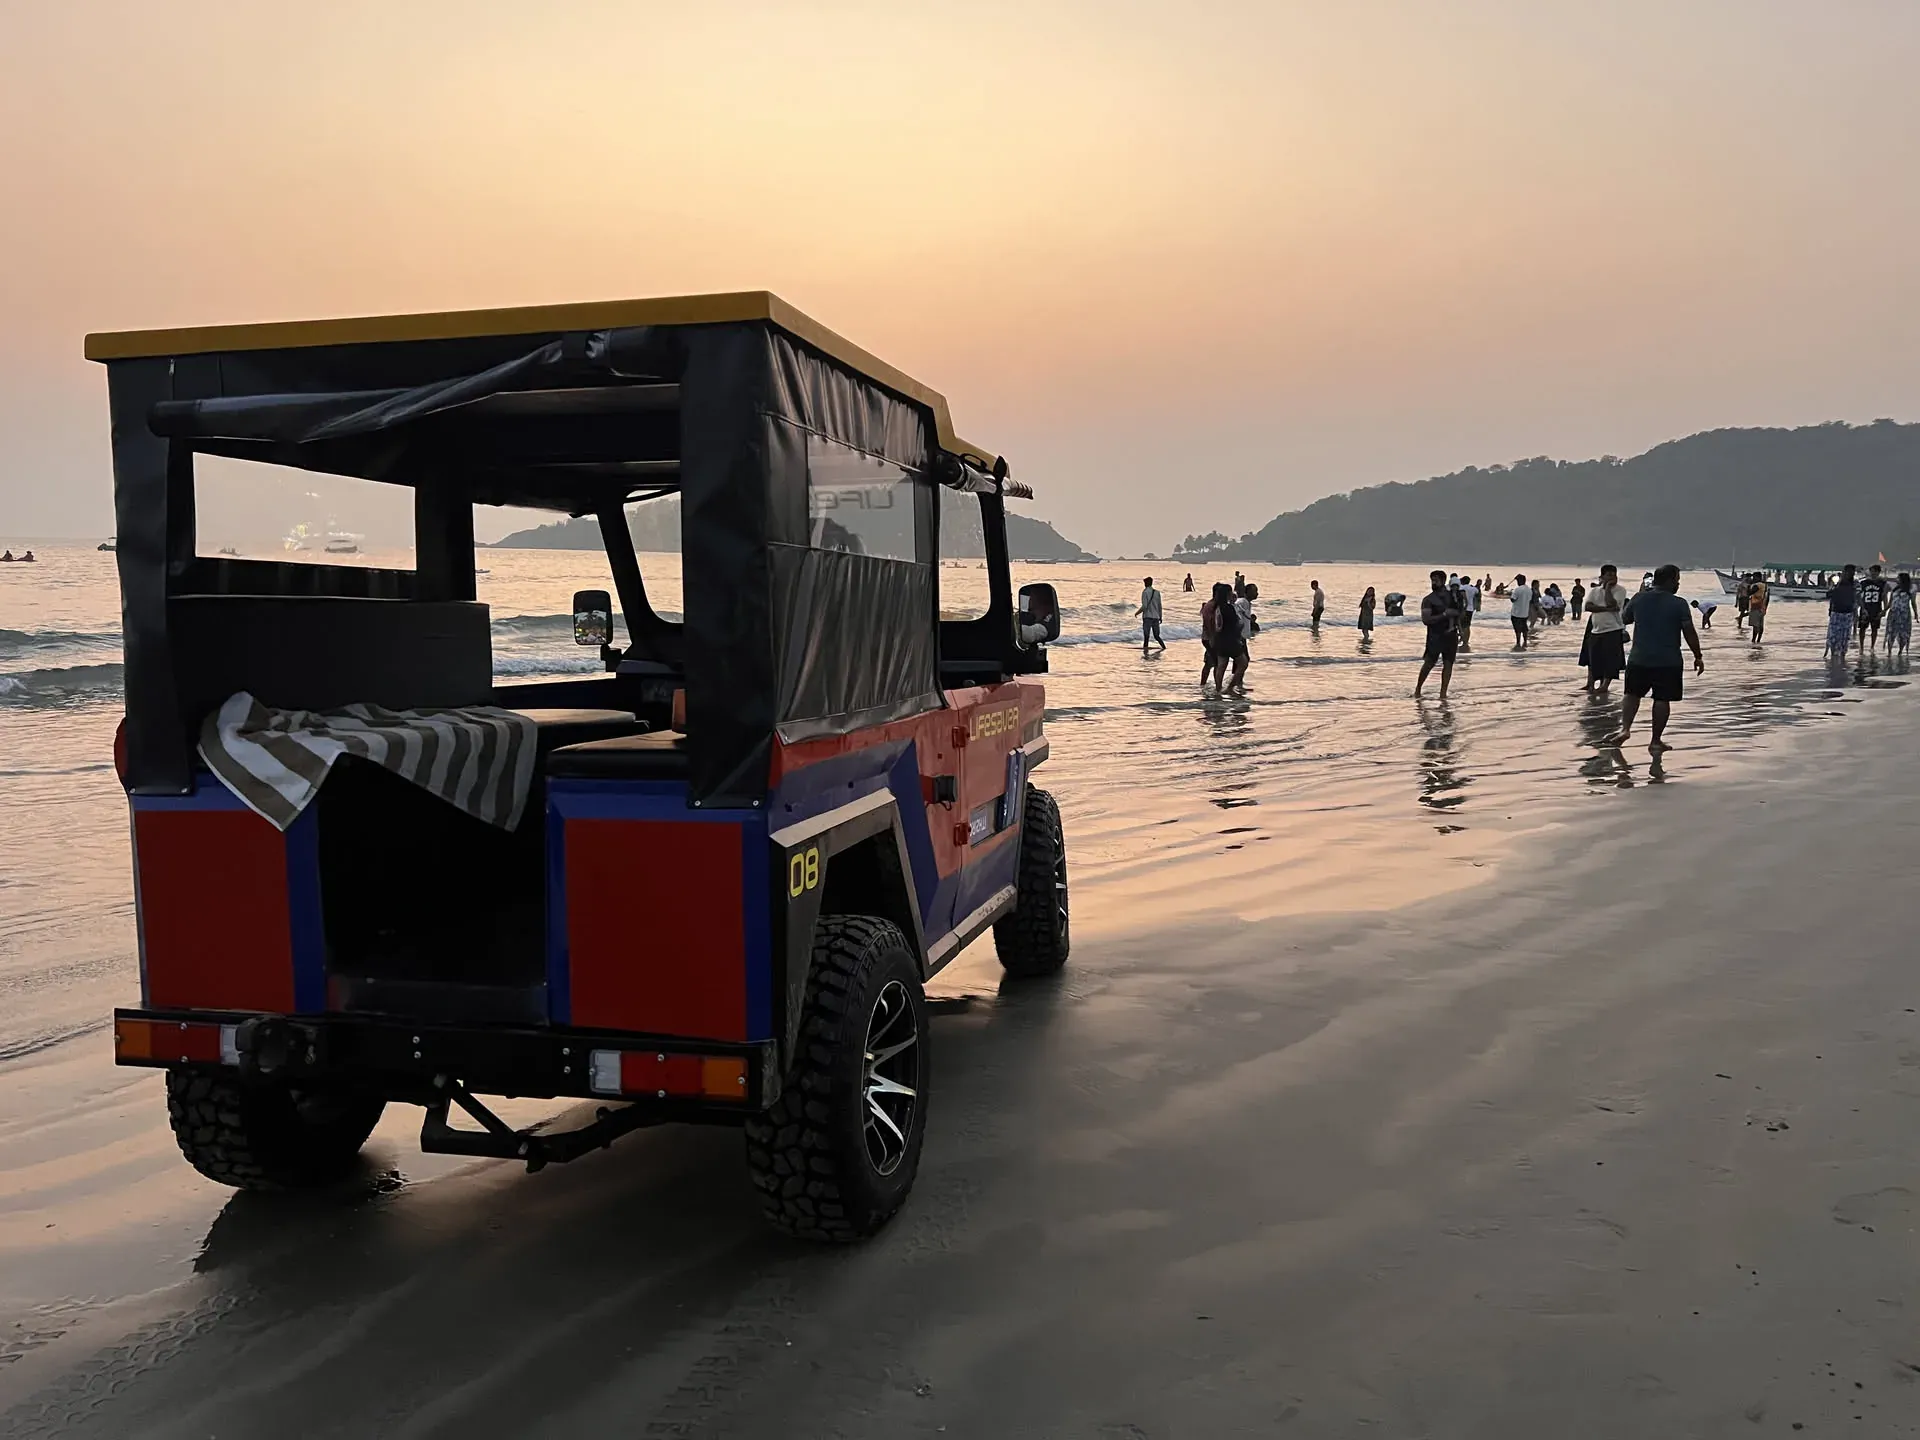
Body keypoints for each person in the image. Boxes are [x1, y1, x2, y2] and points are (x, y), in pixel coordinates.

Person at [1605, 565, 1704, 751]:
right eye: (1677, 580)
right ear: (1669, 581)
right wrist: (1697, 656)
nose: (1678, 584)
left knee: (1631, 694)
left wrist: (1640, 594)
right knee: (1662, 699)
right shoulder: (1679, 603)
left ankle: (1625, 730)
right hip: (1668, 660)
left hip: (1639, 658)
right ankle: (1655, 741)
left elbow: (1625, 618)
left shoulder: (1639, 598)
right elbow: (1689, 631)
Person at [1581, 564, 1629, 693]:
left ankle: (1604, 686)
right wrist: (1606, 609)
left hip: (1613, 628)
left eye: (1614, 575)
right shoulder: (1595, 591)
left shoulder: (1620, 590)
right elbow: (1588, 607)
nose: (1612, 577)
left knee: (1611, 659)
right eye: (1609, 575)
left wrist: (1607, 589)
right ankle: (1591, 684)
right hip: (1596, 629)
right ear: (1602, 576)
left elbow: (1612, 604)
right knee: (1594, 658)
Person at [1415, 570, 1460, 698]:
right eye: (1432, 581)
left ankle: (1443, 693)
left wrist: (1460, 629)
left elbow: (1459, 612)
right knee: (1429, 663)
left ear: (1443, 581)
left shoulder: (1452, 596)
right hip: (1435, 635)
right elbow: (1426, 620)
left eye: (1436, 581)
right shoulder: (1428, 600)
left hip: (1451, 634)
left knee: (1448, 664)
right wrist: (1444, 615)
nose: (1433, 583)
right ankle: (1418, 689)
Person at [1825, 564, 1857, 660]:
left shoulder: (1855, 584)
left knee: (1844, 638)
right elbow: (1829, 595)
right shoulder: (1838, 583)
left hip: (1847, 613)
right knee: (1833, 637)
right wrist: (1834, 585)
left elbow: (1856, 599)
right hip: (1836, 612)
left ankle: (1842, 656)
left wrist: (1858, 613)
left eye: (1850, 572)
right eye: (1846, 572)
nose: (1847, 574)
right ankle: (1833, 656)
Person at [1857, 563, 1887, 649]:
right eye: (1872, 571)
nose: (1873, 573)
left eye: (1875, 571)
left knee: (1875, 628)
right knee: (1862, 628)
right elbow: (1859, 596)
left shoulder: (1882, 583)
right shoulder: (1864, 583)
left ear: (1878, 572)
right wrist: (1862, 607)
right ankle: (1861, 647)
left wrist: (1884, 610)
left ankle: (1872, 647)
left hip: (1876, 608)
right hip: (1865, 608)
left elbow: (1884, 596)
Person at [1885, 572, 1914, 655]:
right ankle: (1889, 651)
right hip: (1893, 614)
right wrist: (1884, 611)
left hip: (1904, 615)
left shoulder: (1910, 591)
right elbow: (1890, 603)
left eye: (1898, 578)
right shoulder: (1894, 590)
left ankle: (1900, 651)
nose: (1896, 579)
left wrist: (1916, 614)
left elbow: (1913, 603)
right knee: (1891, 633)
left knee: (1903, 634)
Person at [1135, 576, 1165, 655]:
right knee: (1157, 636)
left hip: (1147, 617)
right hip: (1156, 617)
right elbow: (1159, 606)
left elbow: (1144, 606)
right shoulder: (1157, 592)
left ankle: (1145, 654)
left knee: (1146, 636)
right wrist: (1160, 616)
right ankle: (1164, 647)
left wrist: (1137, 613)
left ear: (1146, 583)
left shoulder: (1145, 592)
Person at [1509, 574, 1533, 648]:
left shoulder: (1517, 589)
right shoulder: (1529, 590)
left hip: (1516, 613)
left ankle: (1518, 642)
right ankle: (1525, 642)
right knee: (1524, 628)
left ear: (1519, 581)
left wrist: (1510, 594)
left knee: (1518, 629)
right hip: (1525, 612)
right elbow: (1530, 600)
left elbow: (1513, 599)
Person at [1458, 572, 1479, 651]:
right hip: (1470, 609)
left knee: (1461, 625)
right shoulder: (1473, 588)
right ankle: (1466, 641)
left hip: (1463, 608)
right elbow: (1477, 593)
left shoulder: (1461, 587)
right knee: (1467, 626)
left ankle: (1463, 640)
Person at [1746, 572, 1769, 644]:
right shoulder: (1765, 585)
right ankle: (1758, 640)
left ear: (1757, 577)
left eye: (1754, 577)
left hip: (1755, 606)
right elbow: (1767, 597)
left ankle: (1753, 641)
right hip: (1762, 607)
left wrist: (1748, 586)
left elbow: (1749, 593)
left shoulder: (1757, 585)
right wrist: (1765, 607)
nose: (1753, 579)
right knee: (1760, 625)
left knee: (1755, 626)